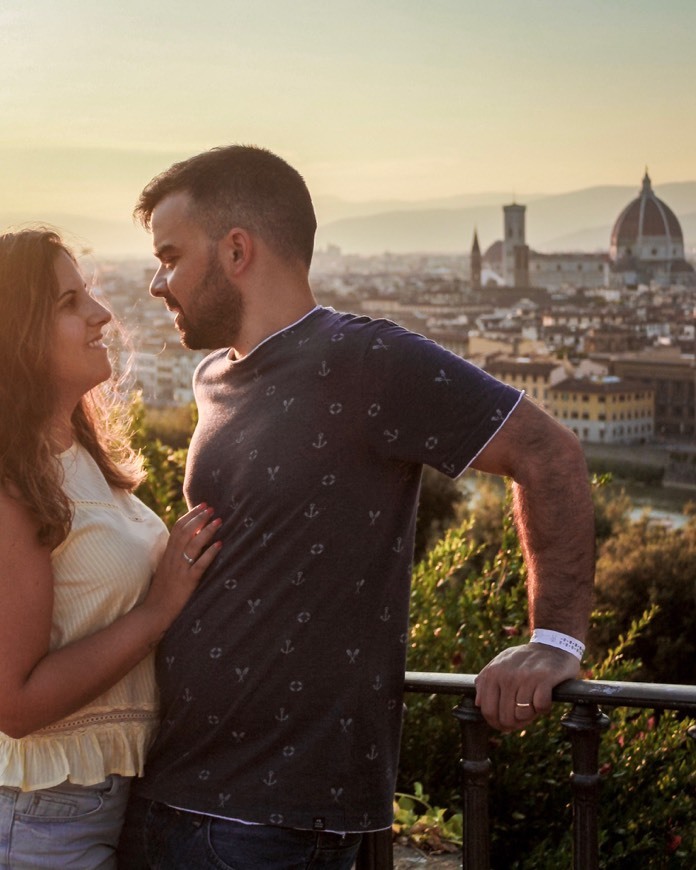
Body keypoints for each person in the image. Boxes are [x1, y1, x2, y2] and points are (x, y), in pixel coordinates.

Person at [118, 146, 595, 869]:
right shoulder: (212, 376)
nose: (157, 283)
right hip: (166, 789)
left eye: (170, 257)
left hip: (271, 821)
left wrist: (555, 639)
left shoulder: (370, 361)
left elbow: (548, 453)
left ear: (237, 250)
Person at [0, 228, 222, 869]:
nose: (101, 313)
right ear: (17, 336)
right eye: (69, 302)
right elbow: (14, 704)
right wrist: (158, 611)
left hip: (88, 804)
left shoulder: (75, 456)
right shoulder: (11, 482)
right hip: (38, 815)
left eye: (89, 293)